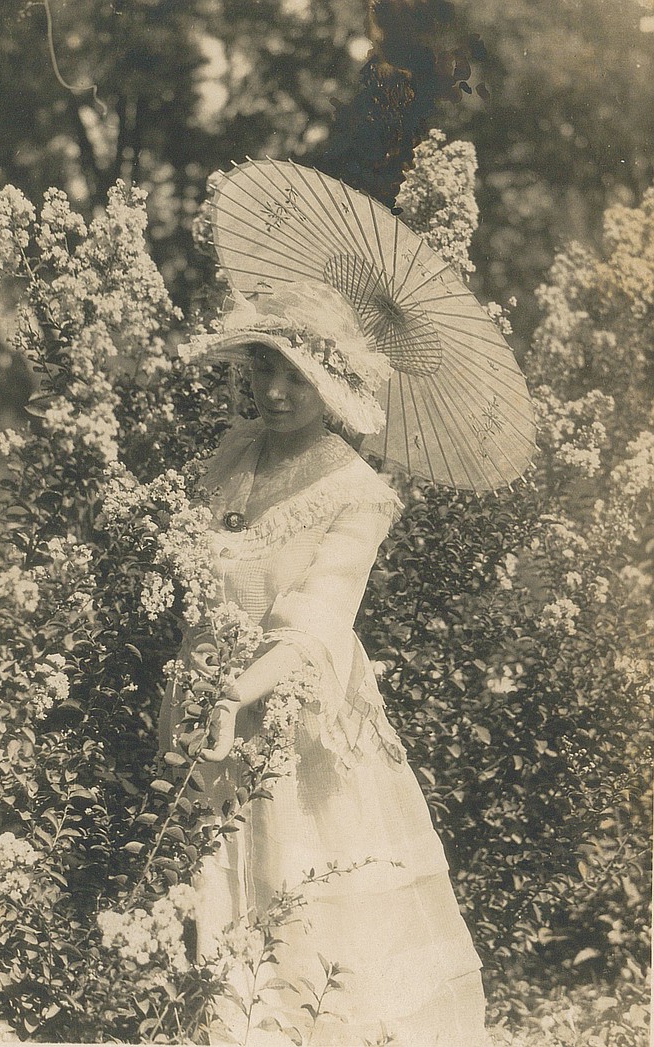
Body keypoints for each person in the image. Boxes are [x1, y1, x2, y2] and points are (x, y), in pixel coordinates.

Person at [164, 281, 489, 1046]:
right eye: (262, 368)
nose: (274, 392)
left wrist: (237, 691)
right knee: (217, 861)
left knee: (304, 868)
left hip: (293, 705)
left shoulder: (356, 490)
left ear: (332, 383)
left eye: (297, 377)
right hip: (212, 683)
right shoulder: (232, 452)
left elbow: (319, 615)